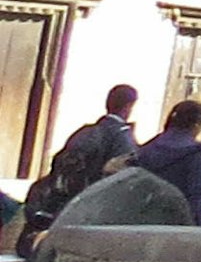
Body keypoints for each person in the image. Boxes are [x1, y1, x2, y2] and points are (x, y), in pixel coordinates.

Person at [14, 86, 139, 253]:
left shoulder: (83, 133)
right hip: (91, 213)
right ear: (129, 106)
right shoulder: (122, 138)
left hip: (60, 206)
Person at [127, 99, 201, 227]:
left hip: (143, 220)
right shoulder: (197, 153)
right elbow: (199, 196)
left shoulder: (147, 148)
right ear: (197, 125)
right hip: (178, 223)